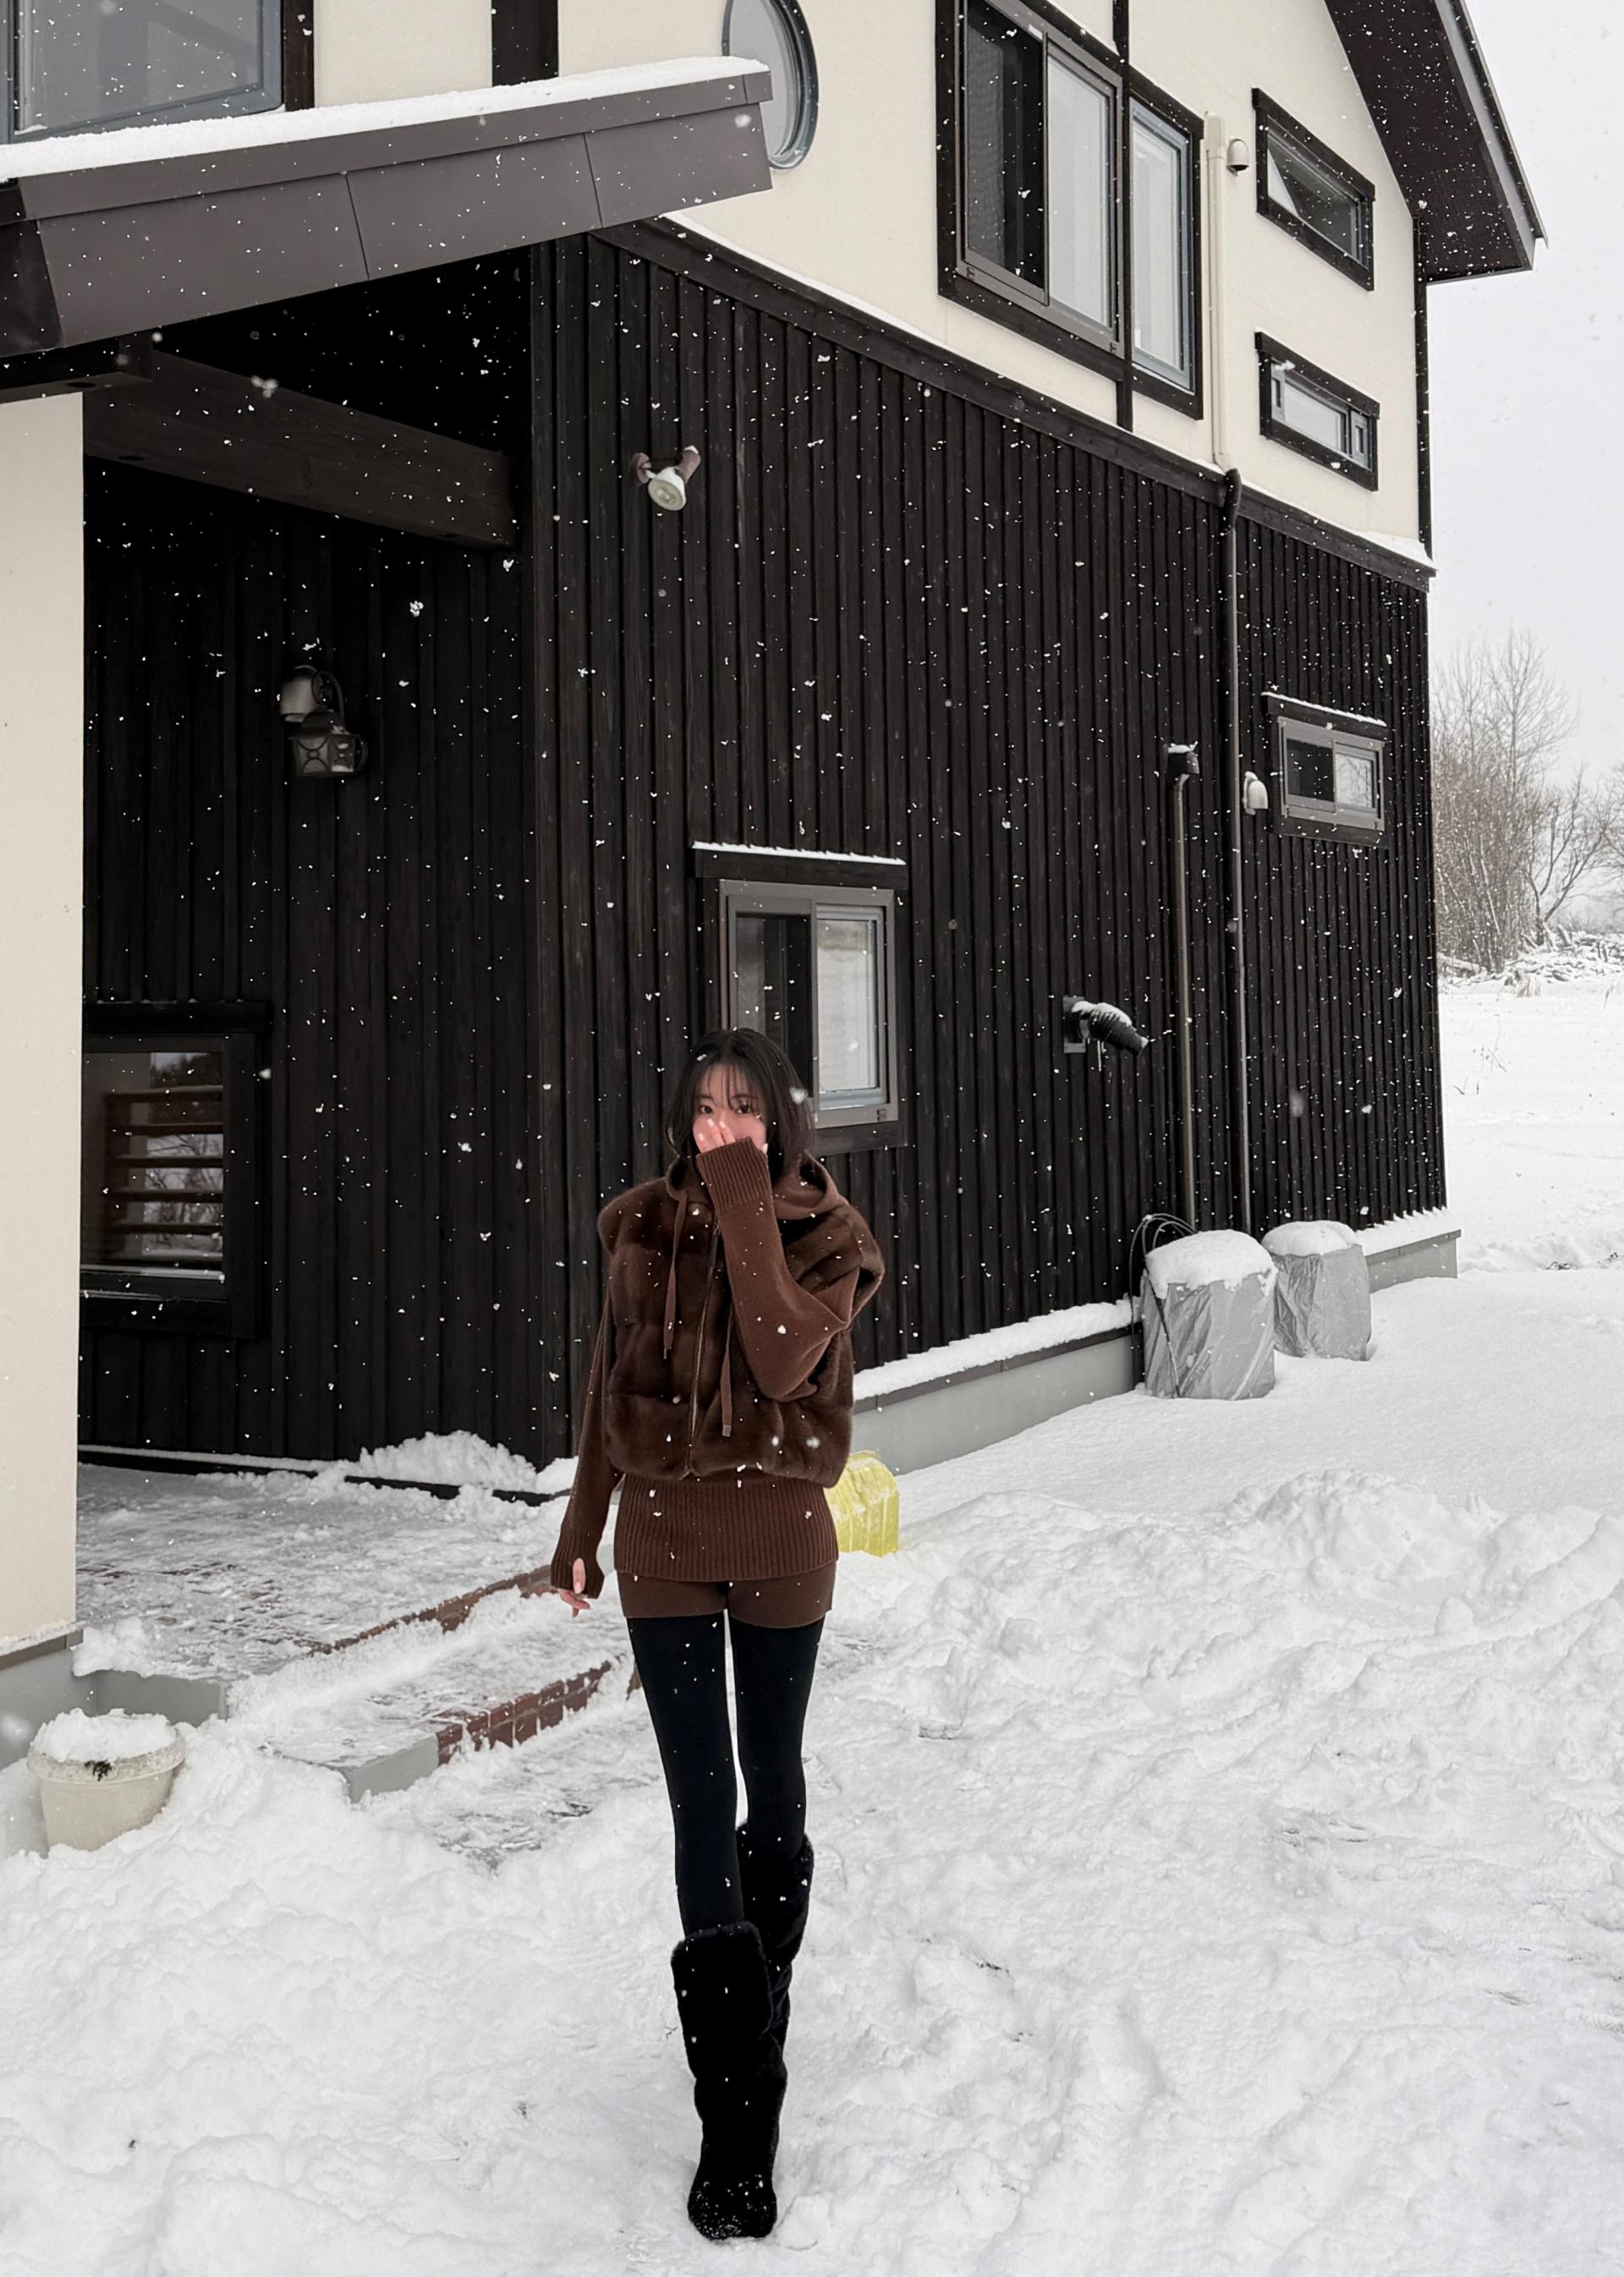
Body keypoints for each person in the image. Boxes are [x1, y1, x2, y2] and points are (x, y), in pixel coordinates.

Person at [546, 1028, 885, 2242]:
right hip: (664, 1547)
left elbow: (786, 1358)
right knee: (701, 1801)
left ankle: (761, 1990)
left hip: (783, 1542)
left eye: (743, 1107)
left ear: (779, 1116)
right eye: (703, 1109)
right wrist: (580, 1527)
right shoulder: (637, 1225)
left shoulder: (834, 1239)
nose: (720, 1127)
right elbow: (610, 1382)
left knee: (771, 1788)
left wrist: (744, 1200)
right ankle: (738, 2119)